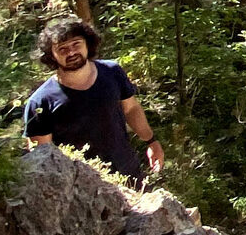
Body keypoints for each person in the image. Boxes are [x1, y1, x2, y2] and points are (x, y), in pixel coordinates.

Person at [23, 16, 163, 184]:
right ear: (51, 56)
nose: (71, 52)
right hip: (82, 189)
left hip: (129, 174)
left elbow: (131, 109)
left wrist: (151, 141)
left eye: (76, 44)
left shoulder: (112, 72)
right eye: (62, 49)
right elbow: (42, 157)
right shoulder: (40, 102)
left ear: (88, 44)